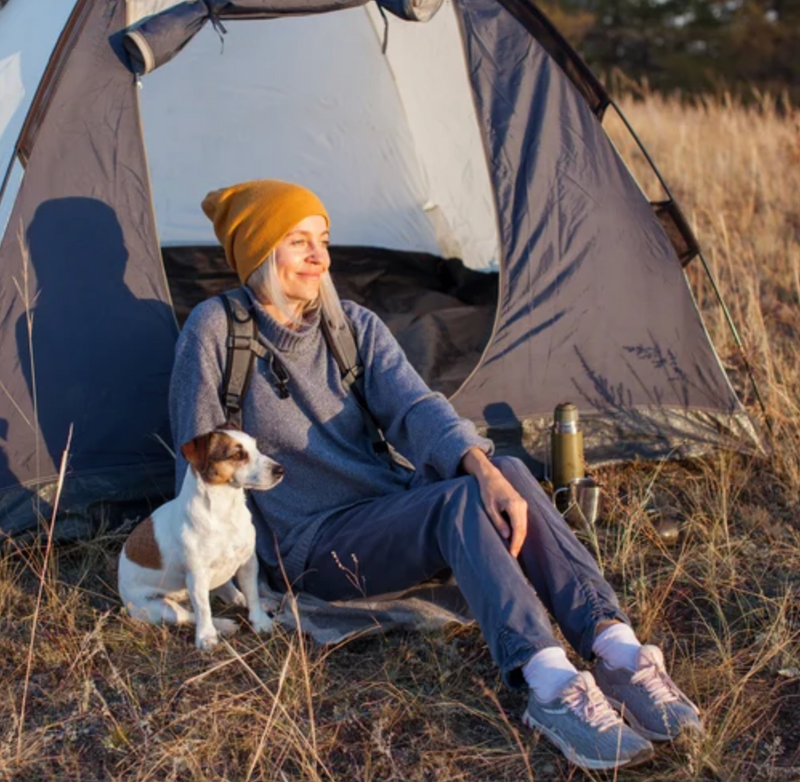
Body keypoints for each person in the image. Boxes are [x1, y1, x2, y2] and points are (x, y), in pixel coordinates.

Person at [169, 179, 702, 771]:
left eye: (322, 239)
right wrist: (207, 569)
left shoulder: (351, 325)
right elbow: (195, 456)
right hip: (311, 544)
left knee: (508, 474)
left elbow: (416, 407)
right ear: (260, 253)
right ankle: (549, 684)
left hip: (389, 511)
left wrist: (482, 467)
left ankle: (617, 650)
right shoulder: (216, 330)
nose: (319, 257)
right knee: (455, 503)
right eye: (298, 242)